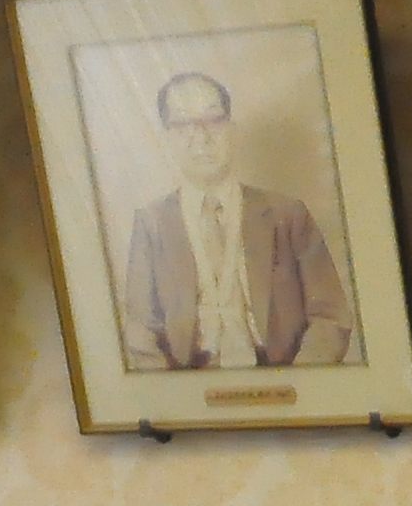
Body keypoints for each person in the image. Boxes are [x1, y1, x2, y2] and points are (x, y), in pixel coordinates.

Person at [115, 69, 353, 371]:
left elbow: (331, 316)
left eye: (213, 120)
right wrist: (173, 392)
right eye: (183, 124)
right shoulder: (151, 223)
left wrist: (299, 381)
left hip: (281, 373)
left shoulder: (287, 214)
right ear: (166, 138)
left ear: (232, 129)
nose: (201, 138)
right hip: (189, 379)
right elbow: (140, 330)